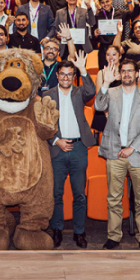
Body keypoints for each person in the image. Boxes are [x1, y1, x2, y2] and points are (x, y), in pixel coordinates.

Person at [95, 59, 140, 249]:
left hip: (138, 154)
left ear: (137, 74)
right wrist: (105, 83)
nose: (127, 74)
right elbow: (98, 106)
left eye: (130, 71)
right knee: (114, 198)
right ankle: (114, 236)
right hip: (114, 153)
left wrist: (133, 147)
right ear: (120, 74)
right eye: (123, 71)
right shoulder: (111, 92)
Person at [45, 52, 96, 249]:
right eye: (62, 74)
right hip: (57, 150)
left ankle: (79, 232)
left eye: (69, 74)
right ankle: (57, 230)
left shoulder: (79, 92)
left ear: (73, 76)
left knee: (79, 194)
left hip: (78, 148)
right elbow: (43, 124)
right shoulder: (47, 95)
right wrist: (55, 140)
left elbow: (91, 91)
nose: (65, 77)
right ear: (57, 75)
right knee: (56, 194)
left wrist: (83, 69)